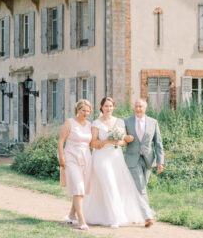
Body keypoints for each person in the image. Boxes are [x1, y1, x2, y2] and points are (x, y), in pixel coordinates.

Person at [84, 96, 154, 227]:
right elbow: (93, 143)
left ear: (113, 107)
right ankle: (115, 218)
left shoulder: (120, 122)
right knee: (109, 183)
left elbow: (123, 142)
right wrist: (107, 141)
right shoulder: (96, 123)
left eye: (110, 106)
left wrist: (121, 140)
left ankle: (108, 214)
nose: (108, 108)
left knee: (119, 186)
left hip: (116, 157)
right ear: (101, 107)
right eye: (106, 106)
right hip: (101, 157)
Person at [123, 98, 164, 227]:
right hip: (132, 159)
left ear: (145, 108)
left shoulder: (153, 122)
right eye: (136, 106)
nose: (138, 109)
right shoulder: (126, 121)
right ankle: (148, 216)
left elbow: (158, 143)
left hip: (148, 160)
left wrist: (160, 161)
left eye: (140, 106)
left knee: (141, 188)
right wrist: (125, 138)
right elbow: (122, 139)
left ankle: (135, 212)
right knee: (141, 187)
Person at [58, 99, 93, 231]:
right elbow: (61, 141)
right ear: (77, 110)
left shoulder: (90, 125)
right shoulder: (70, 123)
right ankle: (81, 220)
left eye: (88, 111)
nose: (86, 113)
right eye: (83, 110)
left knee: (82, 188)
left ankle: (71, 215)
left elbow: (92, 142)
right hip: (71, 157)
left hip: (86, 158)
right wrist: (61, 158)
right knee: (78, 187)